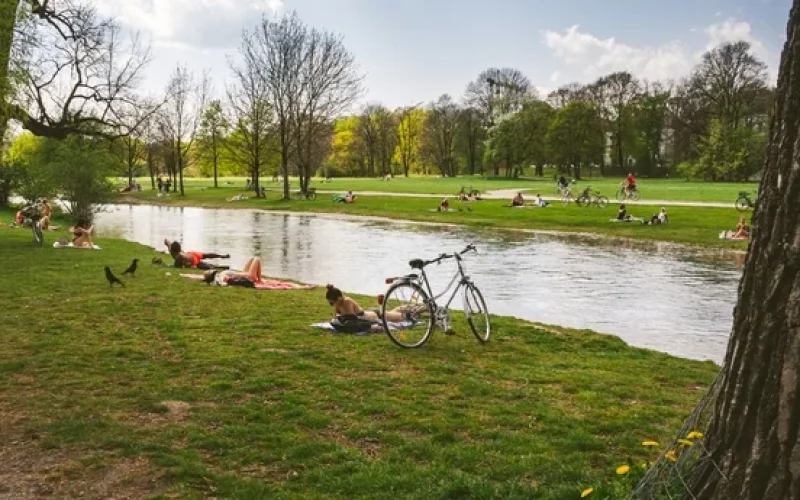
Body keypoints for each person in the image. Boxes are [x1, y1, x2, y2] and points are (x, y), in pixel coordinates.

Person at [325, 285, 409, 323]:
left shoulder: (347, 301)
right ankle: (408, 307)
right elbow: (335, 318)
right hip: (370, 314)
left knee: (403, 317)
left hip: (375, 316)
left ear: (339, 299)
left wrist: (341, 318)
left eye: (331, 303)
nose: (331, 305)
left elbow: (351, 317)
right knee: (394, 312)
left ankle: (419, 308)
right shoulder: (337, 305)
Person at [165, 239, 230, 269]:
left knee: (207, 256)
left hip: (193, 257)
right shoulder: (176, 253)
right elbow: (167, 240)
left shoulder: (179, 255)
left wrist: (189, 265)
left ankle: (221, 256)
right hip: (193, 256)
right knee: (208, 265)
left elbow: (182, 265)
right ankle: (220, 265)